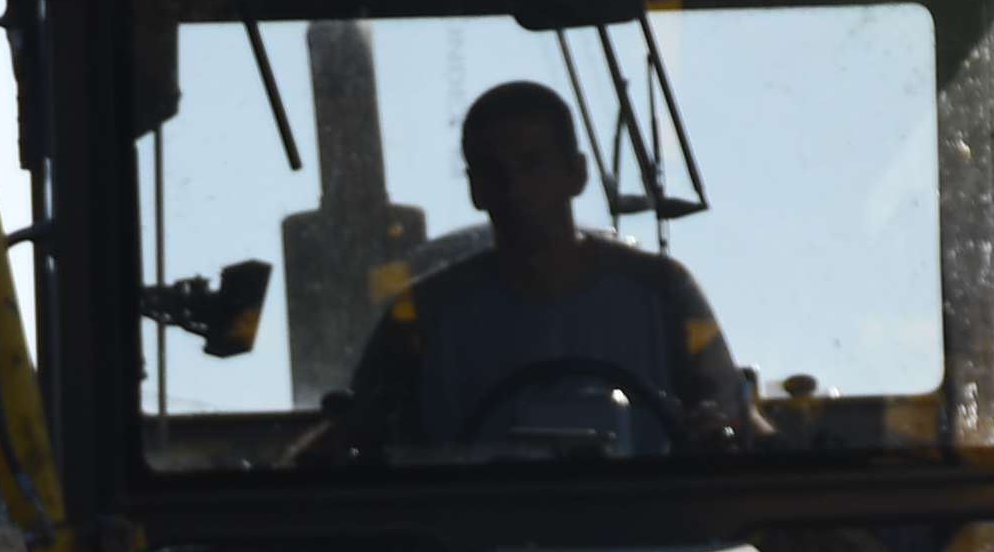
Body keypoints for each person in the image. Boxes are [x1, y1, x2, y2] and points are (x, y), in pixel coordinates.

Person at [307, 78, 747, 458]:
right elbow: (348, 442)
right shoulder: (421, 317)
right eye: (493, 171)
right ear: (475, 188)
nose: (514, 188)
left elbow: (736, 424)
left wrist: (719, 428)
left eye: (531, 164)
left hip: (653, 535)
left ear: (576, 175)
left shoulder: (664, 293)